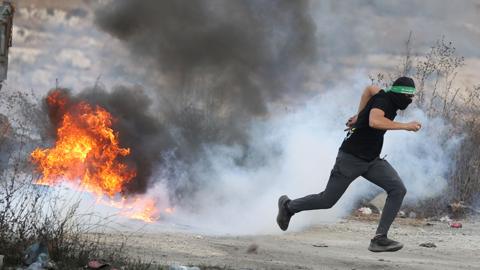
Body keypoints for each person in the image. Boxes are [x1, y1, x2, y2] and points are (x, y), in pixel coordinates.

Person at [276, 76, 422, 252]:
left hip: (371, 160)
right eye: (409, 97)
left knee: (398, 189)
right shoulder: (384, 101)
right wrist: (406, 126)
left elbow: (369, 89)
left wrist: (358, 115)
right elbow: (375, 121)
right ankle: (288, 206)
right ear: (400, 94)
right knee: (327, 200)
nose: (410, 101)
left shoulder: (381, 94)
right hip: (350, 159)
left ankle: (379, 239)